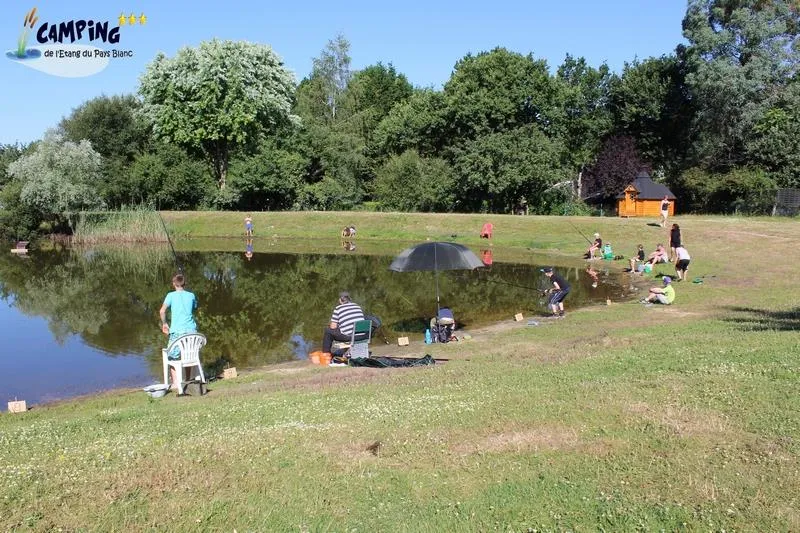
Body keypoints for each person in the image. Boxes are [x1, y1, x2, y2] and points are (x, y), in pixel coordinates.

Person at [159, 273, 198, 388]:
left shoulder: (170, 295)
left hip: (177, 333)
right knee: (188, 354)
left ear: (173, 284)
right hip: (192, 333)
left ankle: (176, 383)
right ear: (184, 284)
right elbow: (195, 307)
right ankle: (188, 379)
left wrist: (165, 324)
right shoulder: (191, 295)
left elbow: (162, 311)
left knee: (171, 356)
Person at [322, 291, 365, 357]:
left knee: (328, 331)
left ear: (340, 300)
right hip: (362, 335)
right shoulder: (357, 306)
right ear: (350, 299)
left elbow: (333, 327)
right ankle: (345, 351)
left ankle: (326, 354)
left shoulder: (338, 308)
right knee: (342, 329)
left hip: (350, 337)